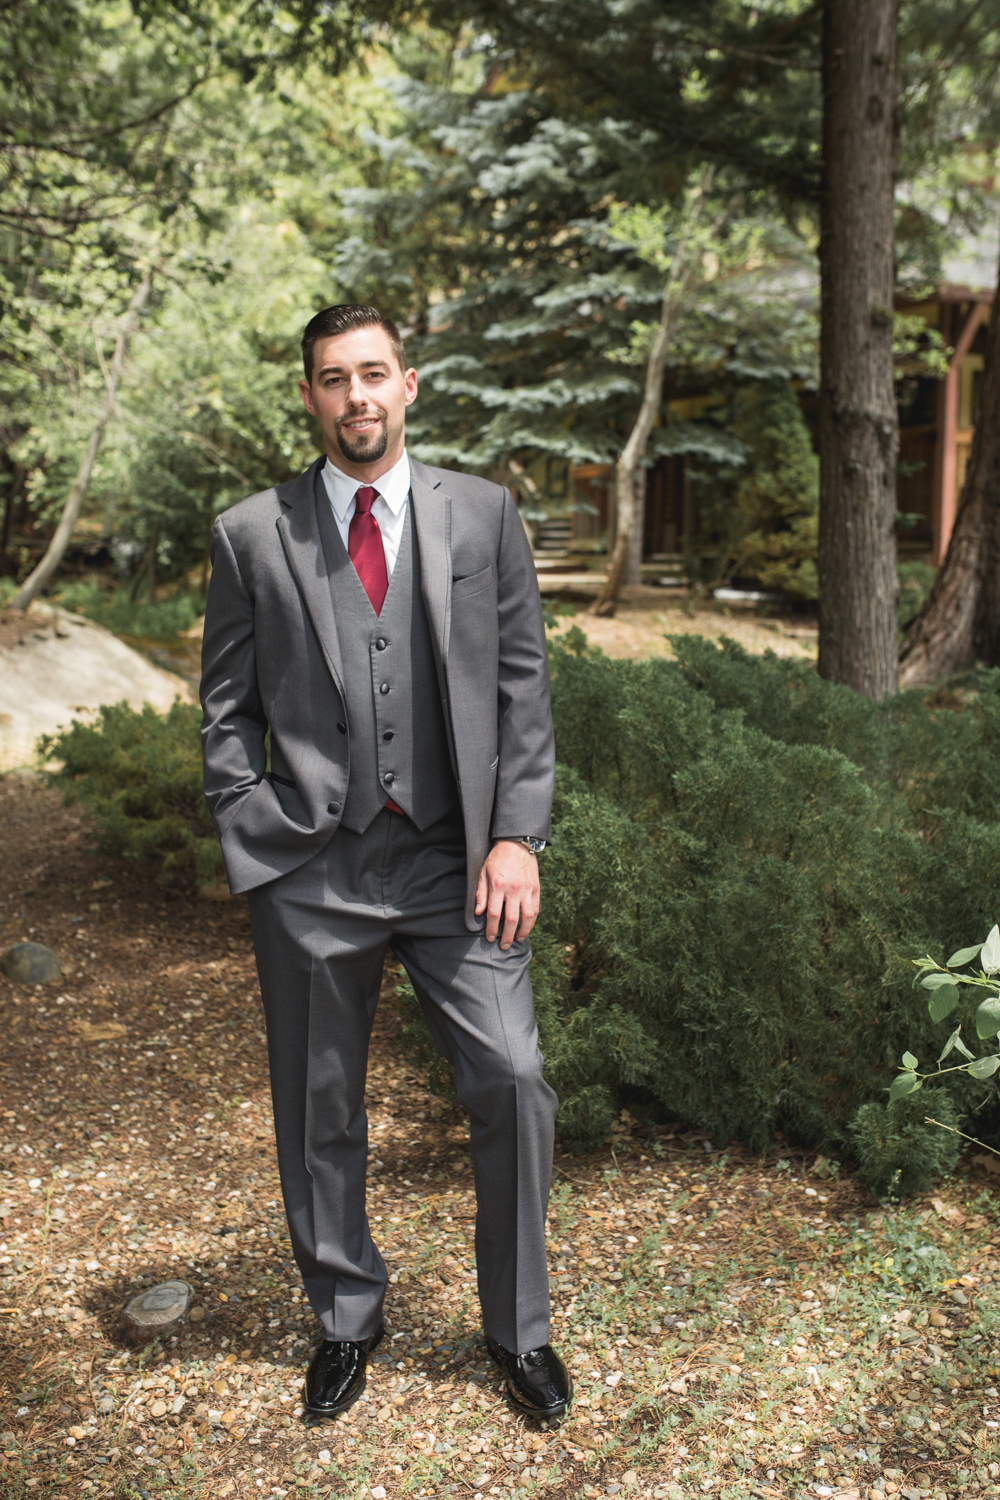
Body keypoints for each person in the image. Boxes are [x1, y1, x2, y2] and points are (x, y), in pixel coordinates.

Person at [199, 304, 571, 1422]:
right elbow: (224, 709)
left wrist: (516, 835)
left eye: (373, 374)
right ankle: (345, 1317)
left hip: (457, 864)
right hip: (312, 873)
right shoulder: (251, 533)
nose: (355, 396)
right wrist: (252, 824)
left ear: (409, 384)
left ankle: (517, 1331)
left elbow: (520, 686)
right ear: (308, 397)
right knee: (319, 1108)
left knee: (512, 1078)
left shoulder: (486, 514)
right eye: (331, 379)